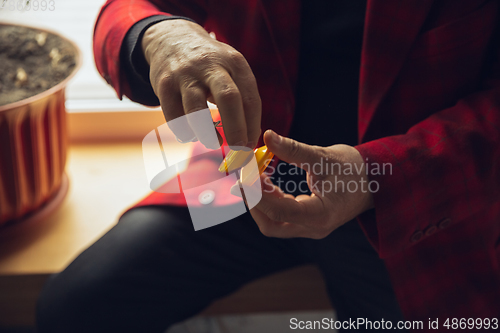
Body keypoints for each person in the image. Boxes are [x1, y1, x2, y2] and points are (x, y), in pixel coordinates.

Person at [37, 0, 500, 332]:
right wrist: (156, 34)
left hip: (409, 206)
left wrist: (375, 177)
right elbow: (124, 11)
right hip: (242, 174)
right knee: (75, 309)